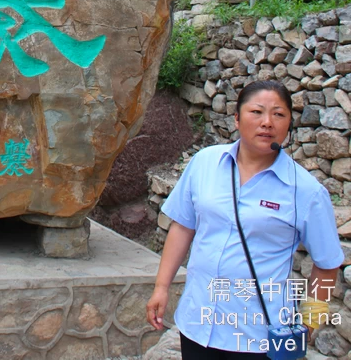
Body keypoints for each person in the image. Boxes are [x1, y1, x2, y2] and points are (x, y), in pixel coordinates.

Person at [146, 80, 343, 359]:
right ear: (237, 119)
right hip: (197, 323)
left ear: (289, 124)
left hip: (258, 337)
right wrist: (161, 287)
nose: (267, 122)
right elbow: (184, 226)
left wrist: (308, 325)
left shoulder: (306, 192)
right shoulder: (204, 163)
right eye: (257, 112)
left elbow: (327, 265)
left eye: (278, 114)